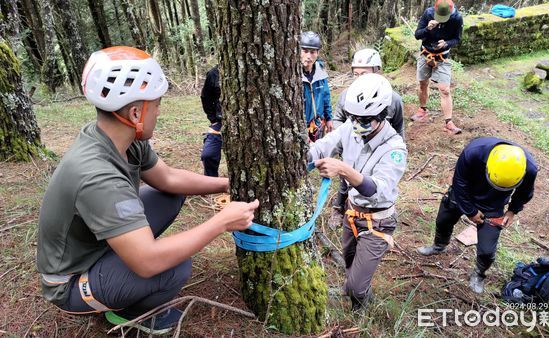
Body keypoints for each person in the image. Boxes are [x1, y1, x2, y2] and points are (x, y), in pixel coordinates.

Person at [36, 47, 259, 335]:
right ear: (135, 112)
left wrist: (227, 183)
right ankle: (129, 312)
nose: (158, 111)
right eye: (156, 105)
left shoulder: (120, 136)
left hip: (95, 246)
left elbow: (168, 178)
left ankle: (120, 265)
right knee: (172, 268)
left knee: (168, 195)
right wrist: (221, 222)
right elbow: (148, 261)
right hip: (69, 282)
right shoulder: (98, 177)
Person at [309, 73, 407, 310]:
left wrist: (342, 168)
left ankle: (360, 305)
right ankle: (352, 288)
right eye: (353, 118)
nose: (356, 125)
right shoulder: (350, 129)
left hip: (378, 222)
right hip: (352, 213)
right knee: (350, 262)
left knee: (357, 285)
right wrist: (305, 159)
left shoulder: (395, 149)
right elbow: (323, 145)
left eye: (365, 120)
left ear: (382, 116)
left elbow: (376, 189)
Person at [417, 137, 538, 294]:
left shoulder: (529, 169)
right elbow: (459, 183)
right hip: (464, 193)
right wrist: (471, 211)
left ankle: (479, 274)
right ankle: (439, 246)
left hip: (494, 204)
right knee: (444, 220)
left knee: (487, 250)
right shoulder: (473, 152)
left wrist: (512, 210)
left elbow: (524, 193)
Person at [331, 48, 405, 214]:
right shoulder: (346, 95)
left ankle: (377, 210)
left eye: (363, 74)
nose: (358, 79)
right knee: (346, 179)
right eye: (355, 74)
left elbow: (399, 127)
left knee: (372, 181)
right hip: (353, 146)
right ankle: (338, 207)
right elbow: (338, 119)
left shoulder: (393, 99)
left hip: (378, 150)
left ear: (377, 71)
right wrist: (344, 140)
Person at [411, 0, 463, 135]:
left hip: (443, 57)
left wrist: (446, 43)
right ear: (435, 10)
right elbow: (417, 35)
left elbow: (457, 38)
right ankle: (422, 110)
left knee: (445, 89)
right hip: (425, 54)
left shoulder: (457, 18)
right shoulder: (428, 14)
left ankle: (449, 123)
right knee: (423, 84)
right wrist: (428, 28)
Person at [300, 31, 333, 142]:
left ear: (317, 53)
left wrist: (329, 119)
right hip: (303, 128)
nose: (309, 56)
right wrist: (302, 130)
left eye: (313, 52)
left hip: (319, 125)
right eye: (305, 51)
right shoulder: (293, 76)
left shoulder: (321, 72)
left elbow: (326, 97)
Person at [200, 65, 222, 177]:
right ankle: (211, 184)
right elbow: (205, 97)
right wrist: (213, 119)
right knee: (208, 155)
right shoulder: (214, 73)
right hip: (220, 123)